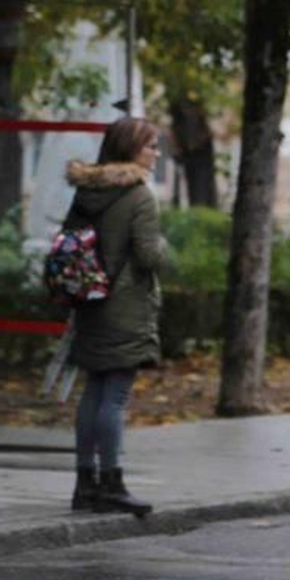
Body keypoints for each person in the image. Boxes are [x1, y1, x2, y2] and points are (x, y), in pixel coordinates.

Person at [64, 116, 166, 516]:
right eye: (151, 145)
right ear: (131, 149)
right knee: (115, 396)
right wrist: (163, 246)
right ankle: (112, 482)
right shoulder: (138, 196)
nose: (156, 153)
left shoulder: (88, 189)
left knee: (93, 392)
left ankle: (84, 483)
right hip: (124, 305)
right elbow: (148, 255)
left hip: (89, 301)